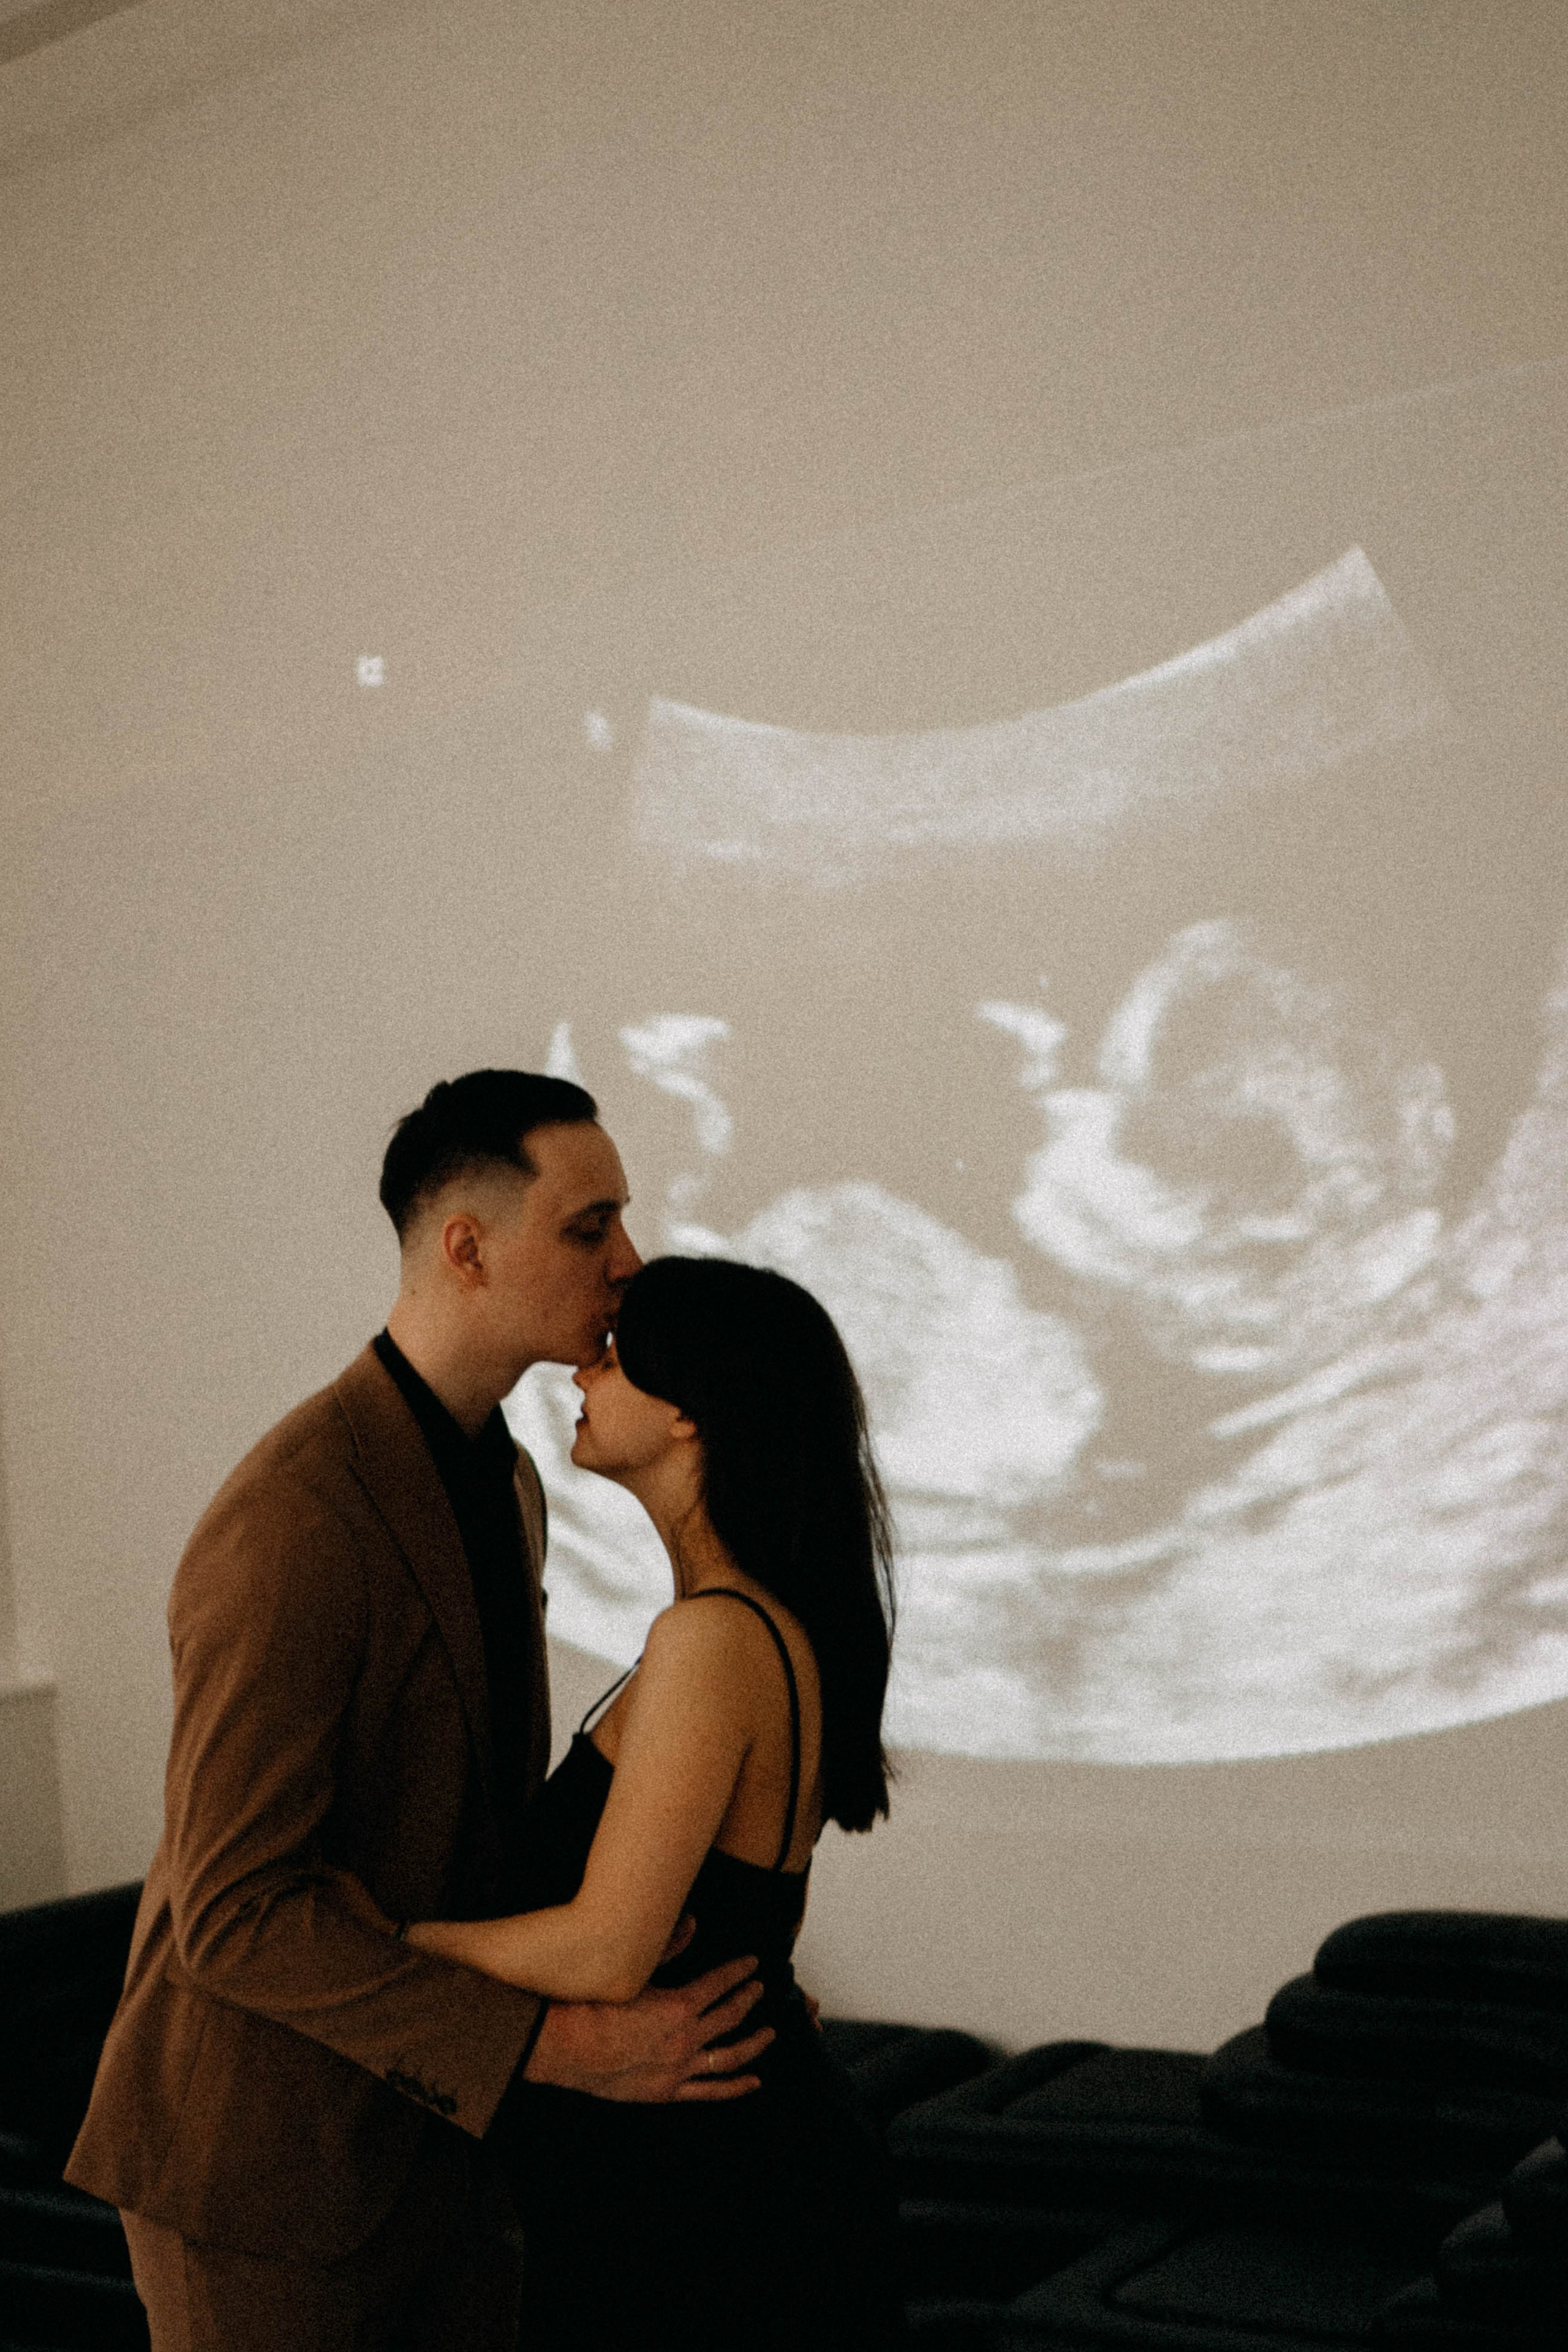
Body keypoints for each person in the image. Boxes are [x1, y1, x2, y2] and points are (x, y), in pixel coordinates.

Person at [67, 1071, 775, 2352]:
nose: (626, 1261)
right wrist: (558, 2050)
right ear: (466, 1247)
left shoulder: (504, 1481)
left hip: (438, 2159)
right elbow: (232, 1918)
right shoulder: (296, 1520)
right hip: (262, 2174)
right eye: (586, 1226)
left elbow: (460, 1837)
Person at [405, 1251, 911, 2348]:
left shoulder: (714, 1640)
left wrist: (387, 1941)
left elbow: (605, 1953)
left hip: (714, 2203)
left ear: (692, 1415)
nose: (584, 1375)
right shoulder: (742, 1626)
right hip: (714, 2176)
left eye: (617, 1361)